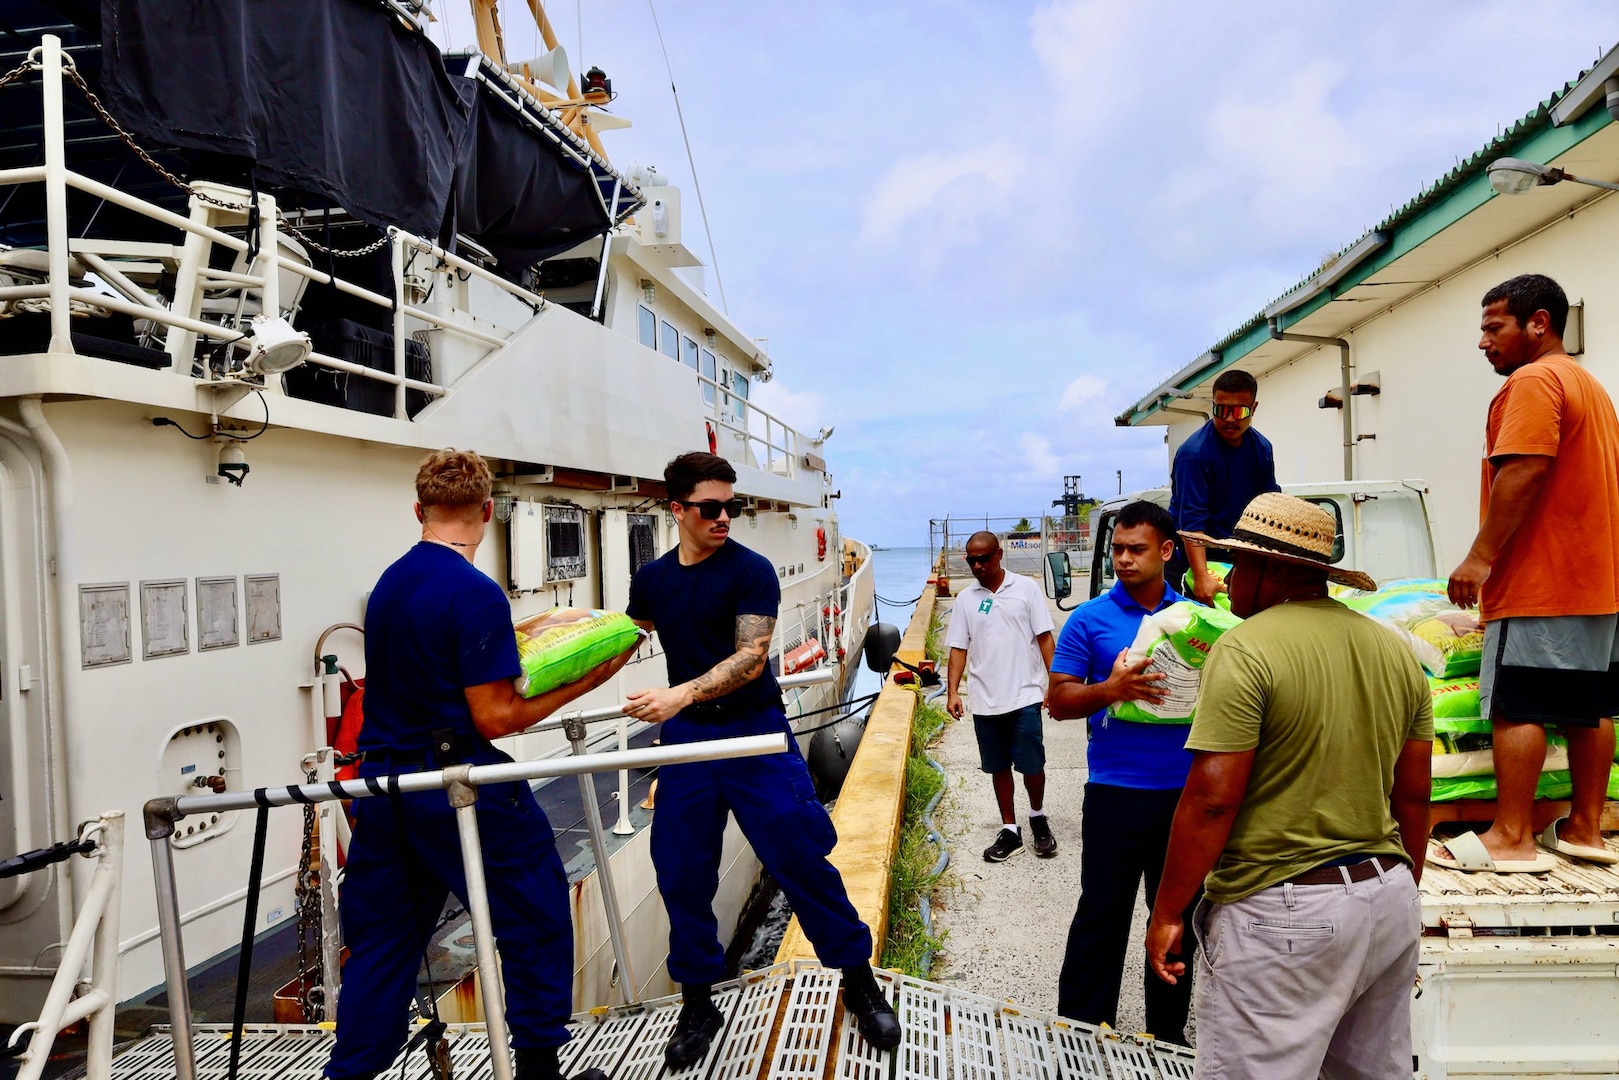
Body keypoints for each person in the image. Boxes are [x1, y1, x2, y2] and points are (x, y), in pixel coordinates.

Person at [327, 450, 634, 1080]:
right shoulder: (475, 591)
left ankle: (349, 1073)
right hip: (454, 782)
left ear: (420, 511)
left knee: (383, 943)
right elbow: (494, 717)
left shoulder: (388, 584)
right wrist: (593, 677)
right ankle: (540, 1072)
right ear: (488, 512)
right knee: (536, 913)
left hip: (385, 787)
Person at [624, 452, 900, 1067]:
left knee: (799, 858)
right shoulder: (653, 580)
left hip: (754, 734)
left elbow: (752, 657)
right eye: (710, 508)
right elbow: (626, 636)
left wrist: (679, 693)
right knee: (682, 872)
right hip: (690, 743)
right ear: (677, 510)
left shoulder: (750, 571)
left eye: (733, 506)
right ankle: (699, 1000)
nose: (725, 517)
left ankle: (857, 978)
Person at [1146, 493, 1433, 1078]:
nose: (1227, 581)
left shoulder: (1245, 649)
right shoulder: (1394, 650)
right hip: (1387, 896)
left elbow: (1212, 799)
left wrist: (1168, 910)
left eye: (1240, 565)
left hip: (1284, 910)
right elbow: (1414, 796)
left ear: (1274, 569)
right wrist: (1405, 887)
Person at [1435, 273, 1619, 874]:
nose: (1484, 342)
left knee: (1518, 705)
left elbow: (1523, 472)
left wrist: (1480, 557)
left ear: (1538, 323)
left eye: (1494, 327)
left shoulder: (1534, 380)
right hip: (1597, 583)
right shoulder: (1587, 385)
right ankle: (1585, 829)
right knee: (1587, 708)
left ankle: (1510, 837)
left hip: (1541, 581)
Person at [1047, 501, 1195, 1043]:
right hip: (1115, 792)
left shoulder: (1195, 620)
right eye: (1117, 550)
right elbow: (1059, 701)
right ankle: (1083, 1032)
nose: (1125, 560)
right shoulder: (1089, 619)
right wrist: (1113, 690)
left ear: (1166, 551)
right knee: (1102, 915)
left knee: (1176, 918)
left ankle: (1168, 1036)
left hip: (1186, 794)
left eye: (1137, 549)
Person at [945, 531, 1057, 862]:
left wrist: (1056, 684)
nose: (977, 565)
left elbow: (1045, 639)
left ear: (999, 555)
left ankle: (1037, 817)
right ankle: (1010, 829)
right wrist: (952, 691)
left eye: (983, 558)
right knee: (998, 767)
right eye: (971, 560)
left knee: (1032, 764)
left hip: (1024, 695)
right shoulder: (965, 599)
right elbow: (958, 648)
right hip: (985, 700)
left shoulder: (1026, 589)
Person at [1166, 368, 1280, 606]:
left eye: (1239, 411)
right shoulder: (1194, 454)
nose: (1229, 419)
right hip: (1193, 558)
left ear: (1254, 408)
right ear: (1213, 405)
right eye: (1221, 410)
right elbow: (1192, 525)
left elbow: (1270, 509)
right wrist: (1201, 577)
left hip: (1237, 555)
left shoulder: (1262, 449)